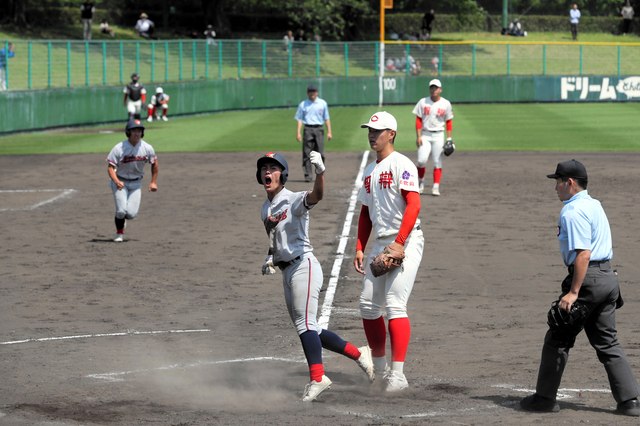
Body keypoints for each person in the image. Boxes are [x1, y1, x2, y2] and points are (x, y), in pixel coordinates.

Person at [520, 159, 640, 417]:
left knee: (558, 336)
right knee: (607, 341)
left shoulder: (572, 211)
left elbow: (583, 254)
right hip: (608, 277)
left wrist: (574, 292)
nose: (556, 188)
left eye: (558, 182)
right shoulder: (594, 204)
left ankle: (544, 399)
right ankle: (630, 401)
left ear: (570, 182)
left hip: (589, 279)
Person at [257, 151, 374, 402]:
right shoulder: (265, 208)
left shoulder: (293, 199)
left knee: (305, 325)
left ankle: (318, 378)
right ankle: (360, 354)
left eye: (273, 168)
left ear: (283, 175)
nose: (268, 172)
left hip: (304, 267)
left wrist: (320, 172)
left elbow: (317, 195)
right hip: (286, 272)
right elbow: (275, 237)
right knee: (312, 328)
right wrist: (270, 257)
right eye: (264, 168)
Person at [354, 111, 424, 393]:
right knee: (368, 306)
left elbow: (414, 204)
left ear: (391, 134)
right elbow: (365, 212)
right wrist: (360, 247)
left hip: (406, 241)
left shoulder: (401, 164)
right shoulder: (370, 171)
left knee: (395, 304)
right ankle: (380, 370)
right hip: (379, 244)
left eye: (378, 131)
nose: (372, 135)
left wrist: (400, 242)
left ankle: (398, 374)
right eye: (370, 130)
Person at [106, 119, 158, 243]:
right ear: (128, 132)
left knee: (131, 214)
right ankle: (119, 233)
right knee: (121, 211)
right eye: (133, 130)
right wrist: (116, 181)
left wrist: (153, 182)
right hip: (120, 182)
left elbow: (154, 164)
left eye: (139, 131)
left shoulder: (147, 148)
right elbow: (110, 167)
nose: (137, 133)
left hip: (136, 183)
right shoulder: (119, 148)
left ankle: (123, 219)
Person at [412, 79, 454, 196]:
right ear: (429, 89)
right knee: (421, 161)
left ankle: (436, 186)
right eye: (432, 87)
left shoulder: (445, 103)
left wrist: (449, 139)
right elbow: (418, 119)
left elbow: (448, 122)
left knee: (437, 162)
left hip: (439, 135)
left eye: (436, 88)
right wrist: (418, 136)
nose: (433, 90)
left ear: (440, 90)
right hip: (425, 135)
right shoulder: (423, 102)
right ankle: (421, 181)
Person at [294, 84, 332, 182]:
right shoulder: (303, 104)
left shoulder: (322, 103)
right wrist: (298, 133)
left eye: (313, 91)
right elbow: (300, 120)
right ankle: (308, 175)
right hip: (308, 129)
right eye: (310, 91)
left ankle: (320, 173)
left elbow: (326, 118)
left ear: (317, 92)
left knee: (320, 153)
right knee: (306, 153)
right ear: (307, 93)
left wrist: (329, 132)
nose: (312, 93)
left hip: (319, 129)